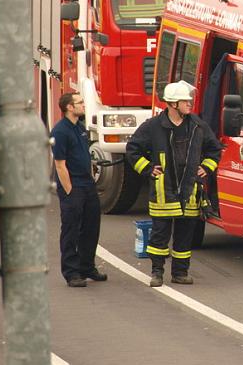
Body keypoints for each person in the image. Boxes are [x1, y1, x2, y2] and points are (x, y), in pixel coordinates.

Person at [125, 80, 223, 287]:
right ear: (172, 104)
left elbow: (215, 149)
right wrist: (148, 168)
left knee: (185, 236)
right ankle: (157, 273)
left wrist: (206, 167)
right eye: (185, 100)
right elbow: (133, 149)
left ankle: (180, 273)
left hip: (189, 191)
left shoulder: (198, 125)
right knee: (160, 236)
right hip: (163, 191)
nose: (190, 103)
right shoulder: (152, 127)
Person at [51, 93, 106, 287]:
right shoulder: (60, 132)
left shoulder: (80, 128)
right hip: (73, 187)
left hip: (88, 185)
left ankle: (87, 267)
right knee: (71, 230)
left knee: (91, 227)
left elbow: (86, 157)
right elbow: (60, 165)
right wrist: (69, 191)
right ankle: (72, 272)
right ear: (69, 107)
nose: (83, 105)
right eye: (79, 103)